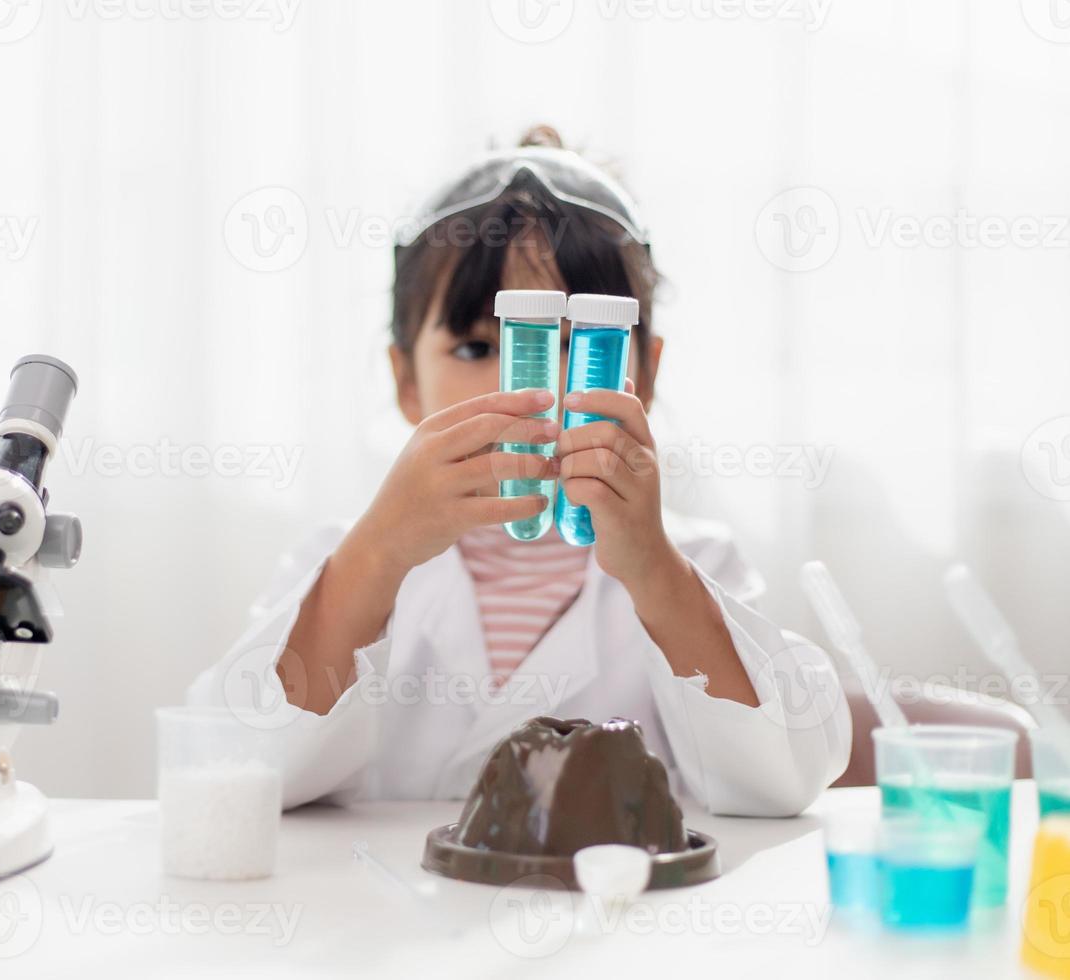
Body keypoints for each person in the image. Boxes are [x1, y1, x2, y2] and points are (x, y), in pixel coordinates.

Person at [189, 127, 850, 817]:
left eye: (576, 346)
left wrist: (653, 568)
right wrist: (378, 554)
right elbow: (234, 766)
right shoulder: (342, 558)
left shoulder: (695, 563)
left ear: (643, 373)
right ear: (405, 381)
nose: (530, 385)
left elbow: (785, 776)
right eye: (477, 346)